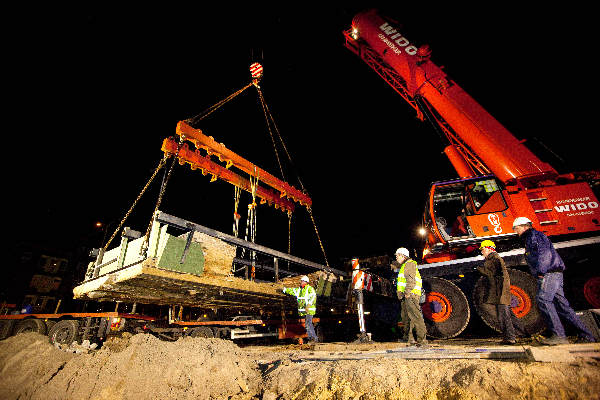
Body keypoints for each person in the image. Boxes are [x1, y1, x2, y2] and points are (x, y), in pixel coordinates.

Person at [513, 216, 595, 345]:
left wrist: (541, 271)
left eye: (516, 228)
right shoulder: (533, 236)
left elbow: (544, 253)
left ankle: (559, 336)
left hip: (549, 273)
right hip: (554, 273)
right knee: (563, 306)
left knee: (543, 300)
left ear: (524, 226)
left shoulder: (533, 236)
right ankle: (587, 335)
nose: (515, 231)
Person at [476, 240, 517, 344]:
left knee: (503, 315)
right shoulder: (495, 258)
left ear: (489, 248)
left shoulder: (493, 259)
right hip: (501, 290)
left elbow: (488, 272)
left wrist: (477, 268)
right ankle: (521, 333)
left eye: (483, 249)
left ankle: (510, 338)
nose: (482, 252)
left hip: (500, 291)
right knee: (508, 314)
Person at [391, 247, 427, 346]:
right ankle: (408, 338)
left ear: (403, 256)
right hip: (406, 296)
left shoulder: (409, 264)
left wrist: (407, 292)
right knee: (407, 318)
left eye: (397, 256)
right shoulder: (404, 266)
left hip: (411, 295)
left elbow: (411, 280)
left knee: (416, 317)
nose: (396, 258)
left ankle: (422, 341)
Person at [283, 275, 319, 343]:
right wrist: (285, 290)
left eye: (302, 281)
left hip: (309, 310)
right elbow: (292, 291)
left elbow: (313, 297)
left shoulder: (309, 289)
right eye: (301, 281)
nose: (301, 282)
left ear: (306, 282)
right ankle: (312, 338)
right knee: (307, 324)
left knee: (308, 324)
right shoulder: (299, 289)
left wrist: (308, 305)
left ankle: (313, 338)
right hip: (304, 310)